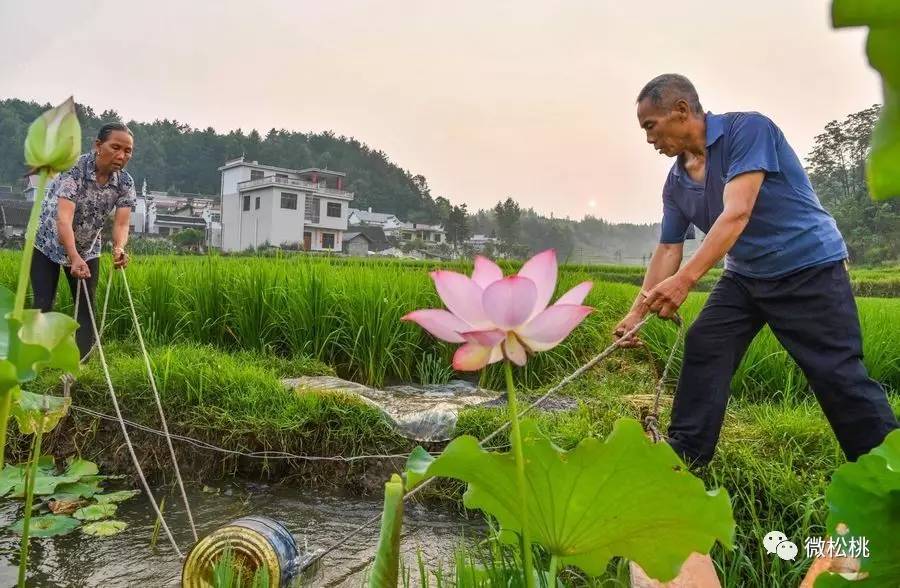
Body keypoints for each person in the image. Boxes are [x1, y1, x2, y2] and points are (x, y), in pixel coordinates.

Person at [614, 74, 898, 467]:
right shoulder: (676, 182)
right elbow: (667, 249)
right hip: (746, 277)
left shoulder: (747, 130)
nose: (649, 139)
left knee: (836, 374)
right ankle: (684, 460)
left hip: (808, 267)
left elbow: (737, 212)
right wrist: (636, 311)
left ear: (680, 110)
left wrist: (686, 281)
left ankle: (886, 473)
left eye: (651, 126)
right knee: (705, 344)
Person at [31, 122, 136, 360]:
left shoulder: (125, 183)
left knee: (86, 306)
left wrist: (119, 248)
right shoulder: (74, 170)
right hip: (47, 242)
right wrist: (73, 257)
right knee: (43, 301)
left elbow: (121, 223)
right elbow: (63, 219)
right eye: (116, 147)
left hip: (88, 246)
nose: (121, 155)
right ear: (98, 145)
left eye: (128, 151)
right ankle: (34, 360)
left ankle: (81, 365)